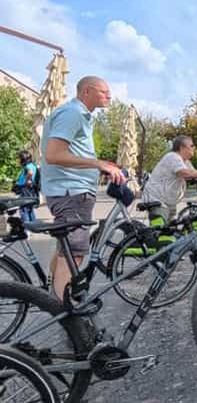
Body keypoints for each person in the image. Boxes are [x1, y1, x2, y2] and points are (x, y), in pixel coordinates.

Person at [40, 76, 125, 301]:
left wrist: (100, 165)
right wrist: (96, 164)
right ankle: (64, 311)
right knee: (74, 254)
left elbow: (69, 153)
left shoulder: (77, 115)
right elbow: (54, 154)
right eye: (104, 92)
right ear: (86, 91)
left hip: (69, 190)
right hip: (72, 192)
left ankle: (53, 295)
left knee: (66, 250)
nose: (109, 96)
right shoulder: (73, 114)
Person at [142, 136, 197, 222]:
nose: (194, 148)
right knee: (160, 231)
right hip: (157, 199)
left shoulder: (185, 162)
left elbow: (193, 173)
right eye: (191, 146)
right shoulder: (173, 157)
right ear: (182, 148)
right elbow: (183, 172)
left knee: (169, 231)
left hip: (169, 201)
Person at [12, 150, 39, 222]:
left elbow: (30, 172)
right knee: (29, 208)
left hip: (25, 189)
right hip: (29, 189)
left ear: (23, 159)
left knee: (24, 208)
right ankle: (32, 226)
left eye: (20, 158)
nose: (19, 160)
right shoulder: (33, 165)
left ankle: (26, 228)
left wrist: (27, 181)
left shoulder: (28, 166)